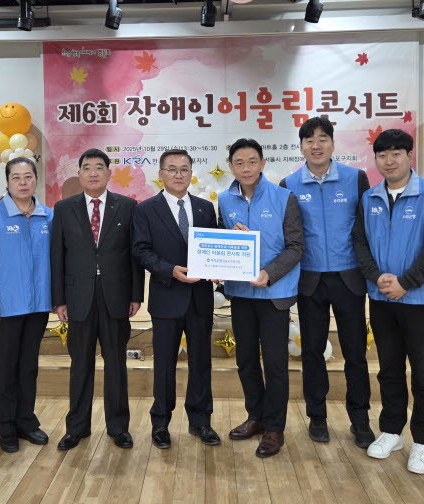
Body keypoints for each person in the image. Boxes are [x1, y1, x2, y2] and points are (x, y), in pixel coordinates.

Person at [352, 129, 424, 474]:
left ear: (409, 156)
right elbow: (360, 242)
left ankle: (423, 441)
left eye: (396, 154)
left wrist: (407, 282)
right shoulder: (369, 198)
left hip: (421, 299)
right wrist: (376, 275)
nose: (389, 161)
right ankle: (392, 431)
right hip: (382, 296)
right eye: (382, 155)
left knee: (423, 372)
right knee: (389, 369)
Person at [280, 117, 374, 448]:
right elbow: (285, 234)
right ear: (301, 147)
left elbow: (367, 226)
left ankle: (360, 420)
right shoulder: (289, 183)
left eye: (322, 139)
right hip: (310, 280)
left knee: (355, 352)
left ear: (333, 144)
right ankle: (317, 417)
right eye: (309, 140)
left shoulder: (355, 178)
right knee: (312, 351)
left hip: (349, 278)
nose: (316, 145)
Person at [53, 148, 144, 451]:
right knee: (80, 364)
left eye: (99, 167)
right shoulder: (63, 209)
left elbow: (134, 255)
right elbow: (57, 257)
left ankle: (118, 427)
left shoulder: (127, 207)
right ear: (79, 173)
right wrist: (59, 299)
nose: (93, 173)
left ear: (109, 173)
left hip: (115, 298)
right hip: (78, 298)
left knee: (116, 364)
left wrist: (136, 294)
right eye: (87, 167)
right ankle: (76, 427)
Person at [218, 138, 304, 458]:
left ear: (263, 163)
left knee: (275, 363)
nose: (246, 168)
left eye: (252, 161)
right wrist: (226, 245)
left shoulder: (284, 197)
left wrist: (269, 273)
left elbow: (296, 246)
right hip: (241, 293)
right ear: (230, 166)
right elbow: (220, 241)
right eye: (239, 163)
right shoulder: (224, 200)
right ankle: (255, 416)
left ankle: (275, 427)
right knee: (246, 360)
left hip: (274, 294)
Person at [133, 149, 220, 450]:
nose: (178, 174)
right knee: (164, 365)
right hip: (166, 296)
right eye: (172, 169)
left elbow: (215, 246)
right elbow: (141, 250)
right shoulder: (146, 209)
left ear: (191, 173)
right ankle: (160, 423)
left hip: (200, 299)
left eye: (184, 169)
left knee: (201, 363)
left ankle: (201, 421)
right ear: (160, 174)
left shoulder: (205, 208)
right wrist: (169, 270)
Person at [0, 158, 53, 454]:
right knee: (4, 369)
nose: (23, 182)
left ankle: (26, 422)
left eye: (28, 176)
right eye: (16, 177)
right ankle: (5, 426)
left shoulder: (48, 216)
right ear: (7, 182)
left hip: (38, 305)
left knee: (28, 367)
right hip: (4, 306)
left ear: (36, 180)